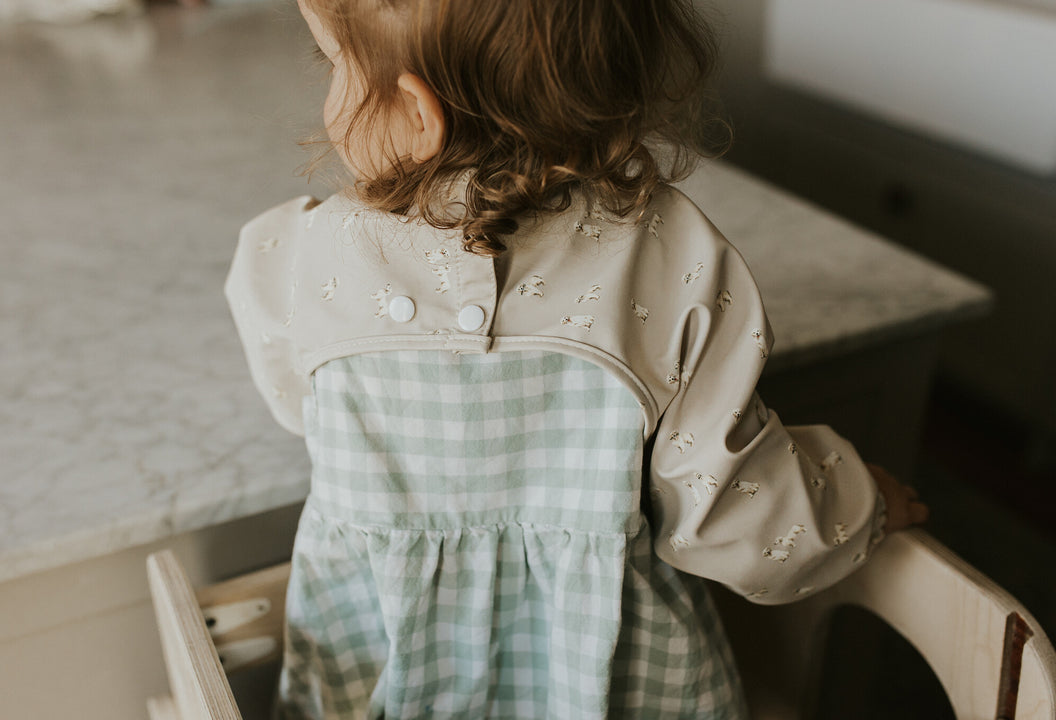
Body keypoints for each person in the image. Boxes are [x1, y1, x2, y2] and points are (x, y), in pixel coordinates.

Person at [225, 0, 930, 717]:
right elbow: (738, 524)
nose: (327, 93)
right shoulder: (673, 257)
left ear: (415, 112)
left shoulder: (298, 260)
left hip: (380, 680)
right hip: (617, 691)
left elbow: (299, 405)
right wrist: (856, 497)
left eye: (333, 63)